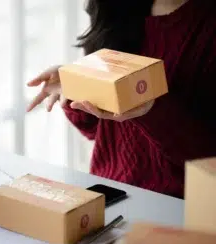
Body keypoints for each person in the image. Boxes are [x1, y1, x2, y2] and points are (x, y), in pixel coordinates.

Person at [26, 0, 216, 199]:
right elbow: (100, 131)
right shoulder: (115, 10)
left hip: (183, 208)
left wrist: (152, 108)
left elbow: (208, 156)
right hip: (108, 194)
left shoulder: (207, 24)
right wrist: (75, 86)